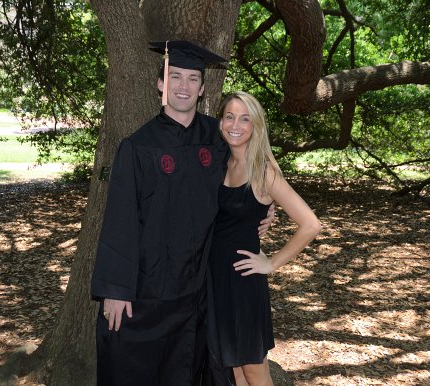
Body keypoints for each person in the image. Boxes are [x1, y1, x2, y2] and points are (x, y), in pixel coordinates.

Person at [91, 41, 272, 385]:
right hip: (148, 287)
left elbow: (251, 169)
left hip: (199, 287)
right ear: (161, 83)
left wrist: (263, 207)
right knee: (135, 365)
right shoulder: (138, 147)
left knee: (188, 368)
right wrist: (115, 288)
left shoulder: (217, 138)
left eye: (192, 79)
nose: (183, 86)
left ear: (203, 88)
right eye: (175, 77)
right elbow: (120, 220)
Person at [209, 92, 322, 386]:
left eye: (245, 118)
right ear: (220, 121)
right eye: (230, 116)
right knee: (233, 368)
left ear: (256, 126)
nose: (236, 124)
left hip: (244, 282)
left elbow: (310, 224)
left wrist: (271, 263)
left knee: (253, 368)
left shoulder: (264, 172)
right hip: (216, 279)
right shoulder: (219, 163)